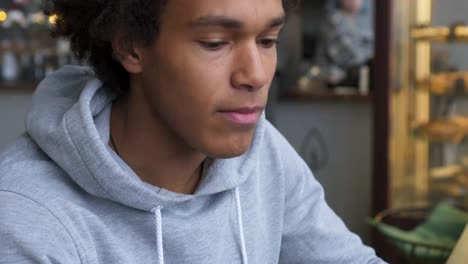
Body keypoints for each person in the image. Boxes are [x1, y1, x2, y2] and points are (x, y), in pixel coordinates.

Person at [0, 0, 386, 263]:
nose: (255, 74)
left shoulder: (264, 154)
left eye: (268, 41)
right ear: (131, 47)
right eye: (215, 43)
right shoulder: (27, 219)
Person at [315, 0, 374, 86]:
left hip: (357, 80)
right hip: (335, 83)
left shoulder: (364, 20)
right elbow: (349, 57)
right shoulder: (333, 20)